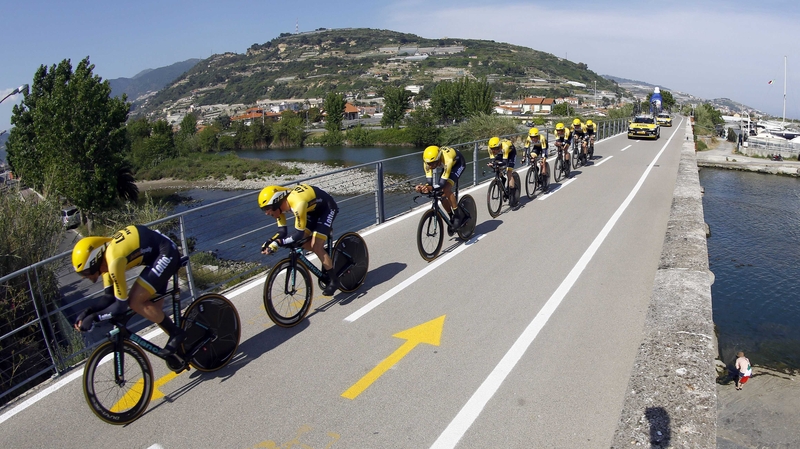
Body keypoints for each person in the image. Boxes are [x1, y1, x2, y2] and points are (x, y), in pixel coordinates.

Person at [72, 225, 184, 356]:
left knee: (135, 301)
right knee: (153, 312)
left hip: (165, 252)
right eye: (82, 275)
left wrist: (94, 318)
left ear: (95, 261)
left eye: (86, 272)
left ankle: (177, 334)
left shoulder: (114, 261)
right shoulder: (105, 263)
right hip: (155, 256)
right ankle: (185, 346)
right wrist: (87, 312)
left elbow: (121, 305)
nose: (87, 277)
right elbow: (109, 298)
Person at [259, 184, 340, 296]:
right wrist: (269, 241)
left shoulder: (297, 203)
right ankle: (324, 254)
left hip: (327, 208)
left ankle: (334, 281)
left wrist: (278, 243)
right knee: (301, 242)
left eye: (267, 209)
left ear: (276, 202)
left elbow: (298, 233)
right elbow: (282, 232)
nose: (266, 213)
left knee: (315, 246)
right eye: (264, 209)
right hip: (312, 210)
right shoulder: (279, 209)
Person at [415, 145, 467, 231]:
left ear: (439, 158)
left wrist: (430, 188)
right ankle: (451, 216)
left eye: (433, 163)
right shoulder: (427, 162)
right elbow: (430, 183)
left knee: (446, 189)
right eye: (429, 164)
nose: (431, 166)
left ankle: (457, 216)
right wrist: (424, 187)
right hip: (445, 166)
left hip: (458, 164)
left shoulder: (447, 160)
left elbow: (442, 184)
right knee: (441, 195)